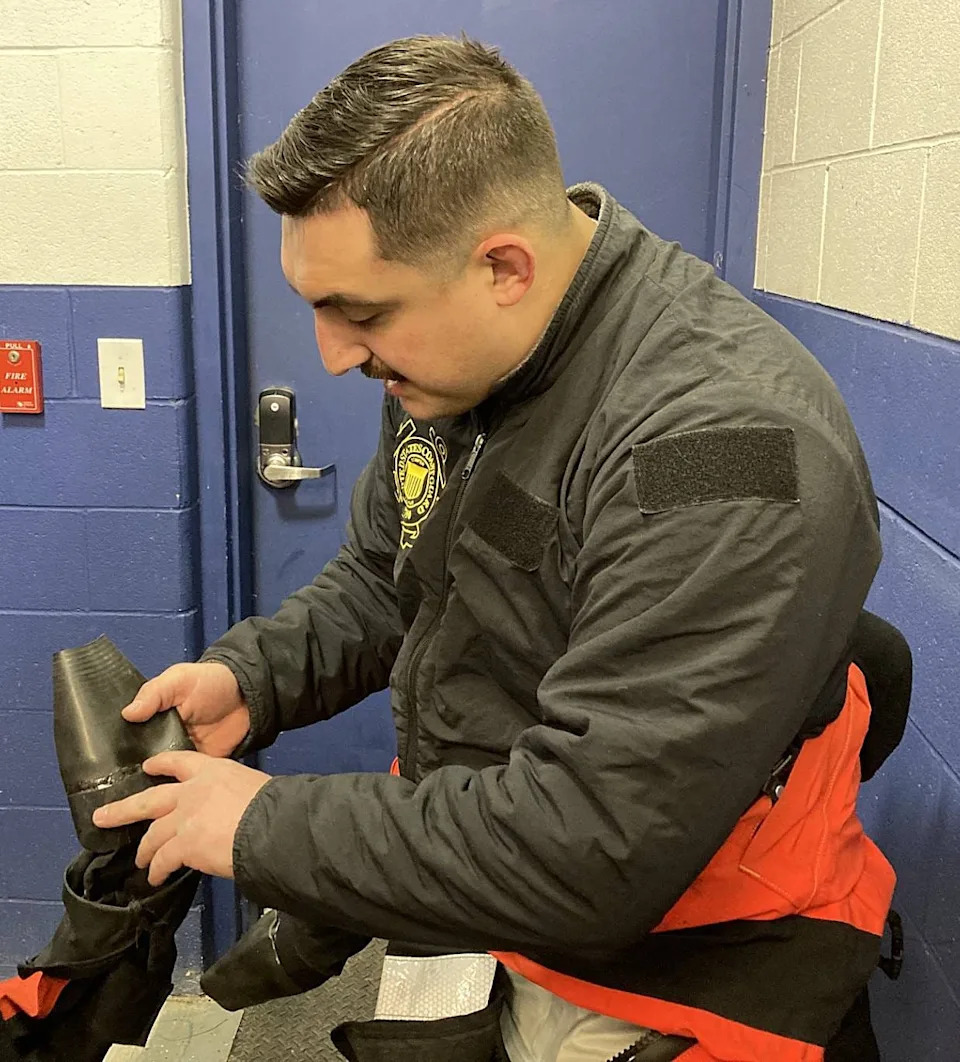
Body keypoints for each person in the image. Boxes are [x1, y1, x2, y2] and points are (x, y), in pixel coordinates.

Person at [93, 35, 895, 1062]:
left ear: (503, 267)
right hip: (526, 923)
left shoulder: (723, 450)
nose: (335, 355)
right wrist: (252, 678)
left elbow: (592, 850)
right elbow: (398, 577)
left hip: (683, 969)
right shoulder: (459, 372)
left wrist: (263, 828)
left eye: (362, 311)